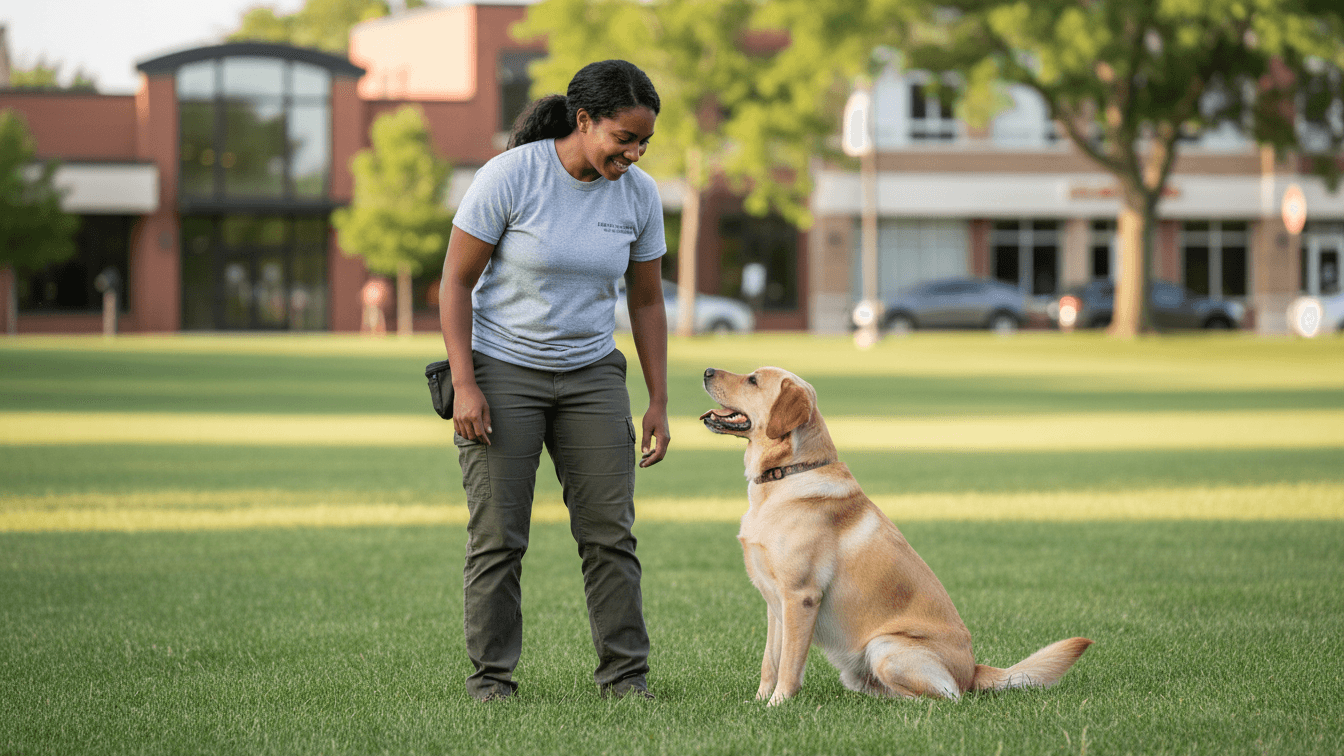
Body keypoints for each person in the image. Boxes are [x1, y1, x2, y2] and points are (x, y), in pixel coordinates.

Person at [438, 59, 670, 702]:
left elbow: (647, 302)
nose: (634, 152)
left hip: (592, 373)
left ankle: (626, 678)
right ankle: (491, 681)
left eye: (643, 141)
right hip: (503, 371)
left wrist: (657, 400)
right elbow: (455, 283)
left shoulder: (639, 195)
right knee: (498, 538)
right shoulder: (512, 176)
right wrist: (466, 383)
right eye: (623, 138)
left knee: (610, 535)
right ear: (585, 120)